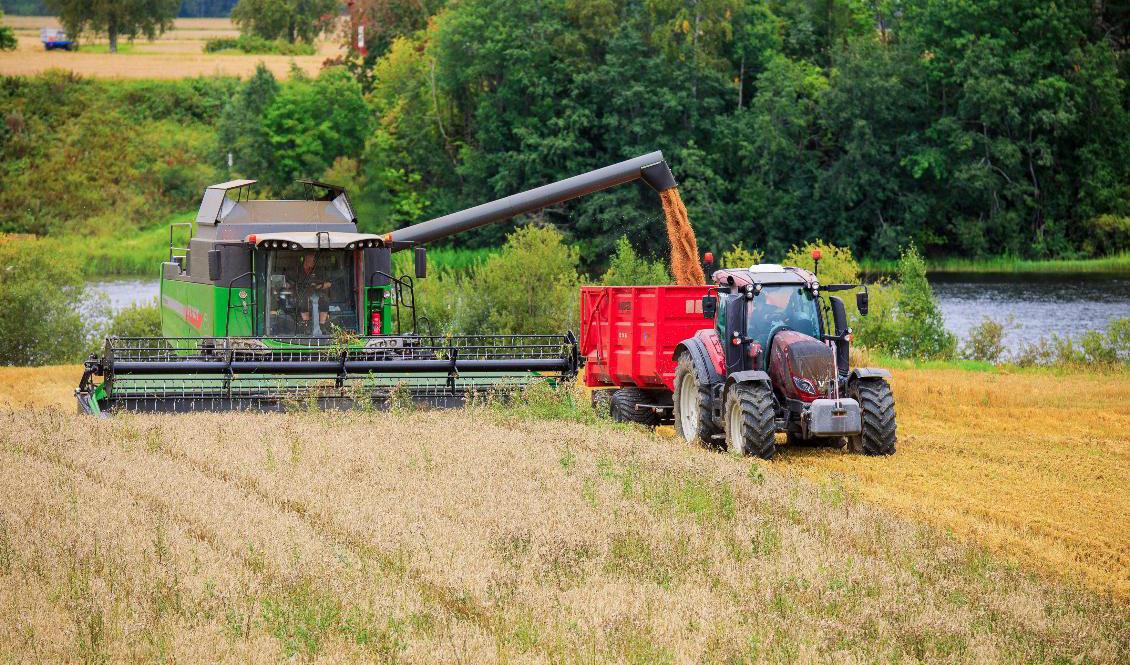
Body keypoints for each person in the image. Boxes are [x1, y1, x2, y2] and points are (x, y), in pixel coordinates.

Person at [292, 253, 334, 335]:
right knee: (302, 300)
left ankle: (322, 326)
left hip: (318, 292)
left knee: (325, 299)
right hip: (302, 292)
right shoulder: (297, 270)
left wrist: (319, 286)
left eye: (314, 259)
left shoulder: (319, 270)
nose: (313, 261)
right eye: (311, 259)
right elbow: (292, 282)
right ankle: (306, 326)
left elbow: (329, 283)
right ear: (306, 258)